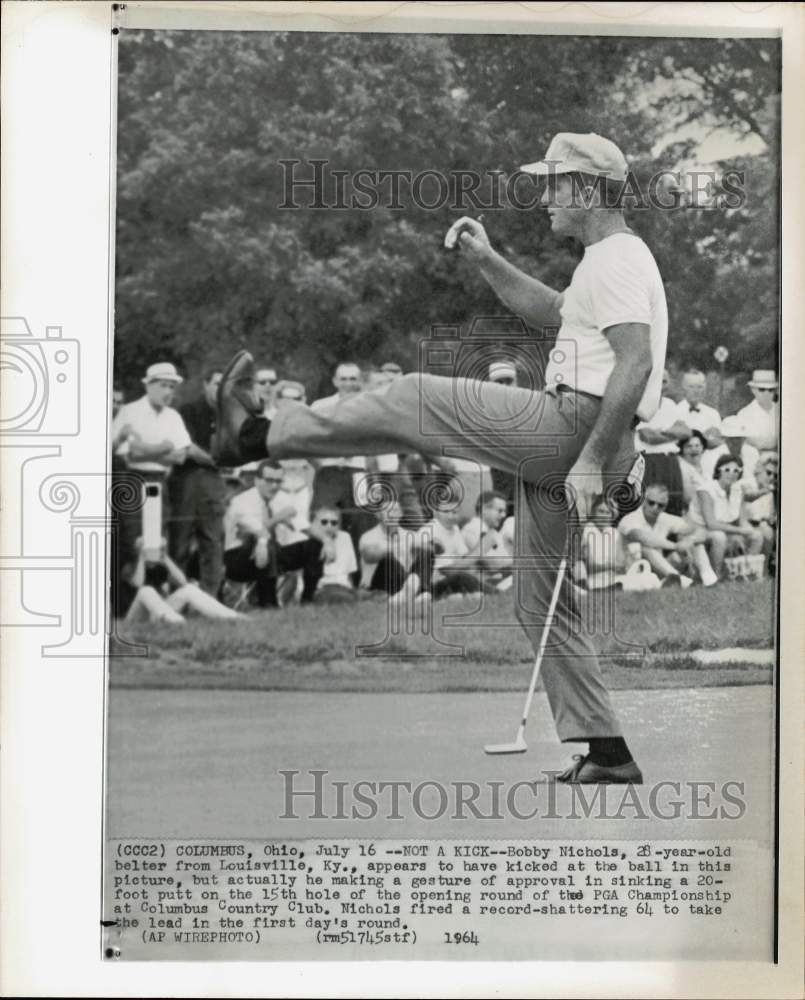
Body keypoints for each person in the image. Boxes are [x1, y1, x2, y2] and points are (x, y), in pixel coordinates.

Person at [215, 132, 668, 784]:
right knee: (537, 603)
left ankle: (256, 437)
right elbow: (553, 312)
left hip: (578, 431)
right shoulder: (606, 259)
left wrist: (592, 460)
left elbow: (636, 361)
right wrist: (487, 259)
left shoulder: (618, 259)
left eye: (553, 183)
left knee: (415, 398)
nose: (543, 196)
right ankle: (607, 751)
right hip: (582, 433)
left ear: (588, 190)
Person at [223, 458, 329, 607]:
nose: (274, 486)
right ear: (257, 480)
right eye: (269, 480)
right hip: (238, 557)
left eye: (278, 481)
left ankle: (308, 599)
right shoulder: (241, 502)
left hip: (270, 554)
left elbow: (303, 525)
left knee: (313, 545)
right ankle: (268, 602)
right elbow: (257, 531)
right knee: (267, 543)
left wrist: (326, 541)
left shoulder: (282, 498)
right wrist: (278, 518)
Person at [111, 362, 191, 553]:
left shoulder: (173, 416)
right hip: (133, 481)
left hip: (160, 482)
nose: (168, 391)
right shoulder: (129, 411)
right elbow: (128, 455)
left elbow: (180, 456)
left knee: (158, 537)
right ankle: (133, 581)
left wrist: (144, 450)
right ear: (149, 386)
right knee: (133, 538)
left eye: (172, 387)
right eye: (163, 385)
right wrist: (164, 447)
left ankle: (154, 581)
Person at [170, 368, 227, 596]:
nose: (219, 389)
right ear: (205, 384)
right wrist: (214, 460)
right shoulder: (188, 410)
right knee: (180, 540)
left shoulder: (228, 414)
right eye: (216, 383)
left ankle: (210, 598)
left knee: (213, 540)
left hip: (214, 481)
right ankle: (177, 595)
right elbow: (188, 448)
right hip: (187, 478)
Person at [115, 537, 243, 626]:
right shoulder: (131, 565)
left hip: (158, 613)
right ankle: (176, 621)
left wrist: (165, 557)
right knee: (146, 591)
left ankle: (232, 617)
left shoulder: (159, 566)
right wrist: (142, 557)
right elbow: (137, 584)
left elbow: (183, 582)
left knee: (189, 590)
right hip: (134, 616)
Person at [617, 482, 710, 587]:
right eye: (651, 503)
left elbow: (697, 529)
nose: (655, 507)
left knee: (693, 542)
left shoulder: (664, 518)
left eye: (660, 505)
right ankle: (682, 581)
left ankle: (708, 578)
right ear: (643, 501)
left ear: (665, 506)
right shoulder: (631, 519)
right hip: (632, 570)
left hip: (657, 567)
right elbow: (644, 538)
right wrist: (676, 546)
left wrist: (691, 540)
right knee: (647, 548)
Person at [688, 453, 764, 578]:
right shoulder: (705, 489)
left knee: (757, 535)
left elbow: (741, 519)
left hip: (723, 528)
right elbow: (711, 524)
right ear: (719, 470)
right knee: (719, 537)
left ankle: (747, 572)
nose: (731, 473)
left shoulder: (738, 490)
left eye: (736, 470)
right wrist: (740, 530)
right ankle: (715, 575)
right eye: (727, 469)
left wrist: (748, 530)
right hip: (698, 530)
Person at [667, 369, 722, 449]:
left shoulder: (713, 414)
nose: (696, 391)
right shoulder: (674, 412)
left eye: (700, 387)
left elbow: (717, 441)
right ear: (683, 388)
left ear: (705, 389)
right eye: (691, 386)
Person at [734, 369, 779, 452]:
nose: (767, 393)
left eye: (771, 390)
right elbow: (759, 444)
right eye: (762, 389)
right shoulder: (744, 414)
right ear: (753, 390)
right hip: (754, 461)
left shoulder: (780, 410)